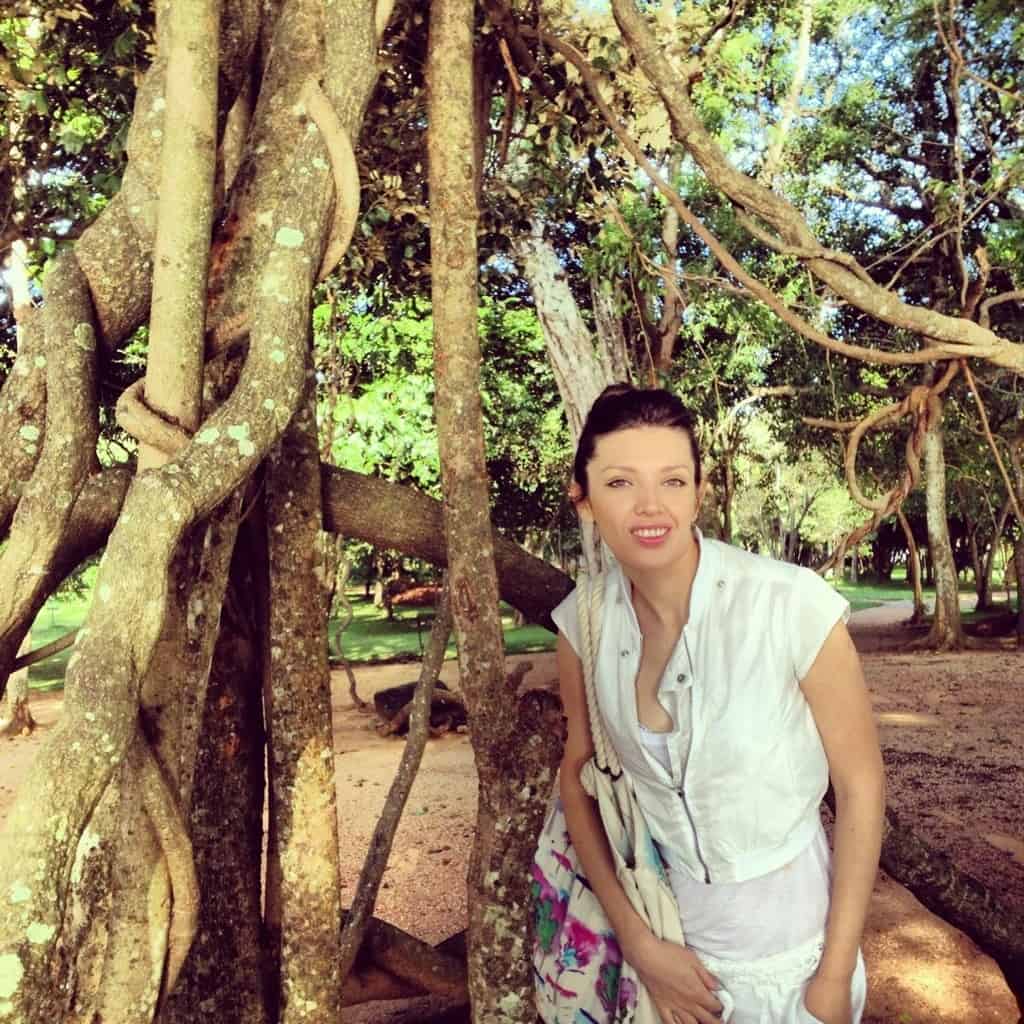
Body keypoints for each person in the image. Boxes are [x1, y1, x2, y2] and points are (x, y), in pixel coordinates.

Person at [550, 384, 885, 1024]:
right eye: (620, 483)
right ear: (584, 500)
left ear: (700, 492)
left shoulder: (791, 604)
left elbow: (861, 784)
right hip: (675, 964)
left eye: (672, 481)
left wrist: (834, 974)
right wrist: (640, 945)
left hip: (801, 962)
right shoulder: (583, 625)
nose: (651, 506)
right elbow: (579, 777)